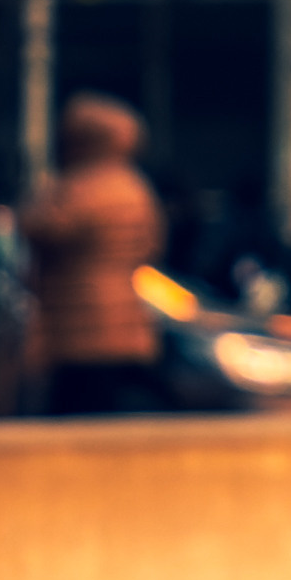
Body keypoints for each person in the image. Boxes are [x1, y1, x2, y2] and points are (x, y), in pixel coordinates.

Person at [21, 93, 173, 417]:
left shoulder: (79, 187)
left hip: (77, 317)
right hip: (126, 315)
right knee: (106, 404)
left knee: (74, 406)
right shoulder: (135, 187)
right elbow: (152, 245)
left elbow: (37, 225)